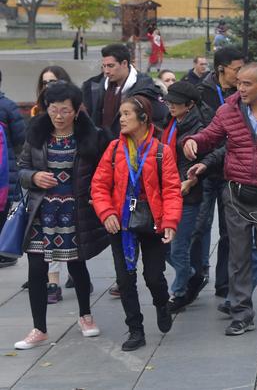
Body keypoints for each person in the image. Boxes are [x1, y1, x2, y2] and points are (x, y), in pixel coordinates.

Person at [183, 62, 257, 334]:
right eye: (238, 82)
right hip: (235, 192)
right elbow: (210, 136)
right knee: (238, 256)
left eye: (247, 84)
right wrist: (192, 141)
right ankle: (241, 314)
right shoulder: (228, 110)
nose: (240, 88)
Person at [14, 82, 110, 349]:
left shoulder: (90, 136)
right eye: (53, 110)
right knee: (36, 269)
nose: (58, 116)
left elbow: (103, 172)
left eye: (65, 110)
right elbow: (21, 169)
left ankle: (85, 315)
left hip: (74, 210)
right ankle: (39, 328)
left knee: (77, 265)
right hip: (41, 212)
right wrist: (33, 176)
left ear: (77, 110)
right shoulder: (36, 133)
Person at [91, 95, 182, 352]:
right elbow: (98, 186)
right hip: (120, 224)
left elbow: (172, 191)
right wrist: (106, 212)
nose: (121, 119)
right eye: (120, 114)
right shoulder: (113, 150)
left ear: (143, 118)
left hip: (153, 222)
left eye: (126, 114)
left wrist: (171, 222)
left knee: (154, 276)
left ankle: (162, 304)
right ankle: (135, 329)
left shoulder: (161, 151)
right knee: (125, 278)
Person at [191, 48, 244, 301]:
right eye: (237, 69)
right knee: (199, 227)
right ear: (221, 69)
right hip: (203, 171)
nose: (240, 74)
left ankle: (224, 283)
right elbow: (202, 132)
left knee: (229, 231)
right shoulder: (201, 93)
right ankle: (196, 275)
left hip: (231, 171)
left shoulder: (244, 94)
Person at [161, 82, 211, 313]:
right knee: (162, 246)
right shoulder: (172, 123)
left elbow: (205, 161)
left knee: (178, 247)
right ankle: (191, 274)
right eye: (169, 101)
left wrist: (192, 180)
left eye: (176, 102)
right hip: (168, 192)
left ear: (189, 105)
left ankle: (178, 292)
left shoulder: (198, 128)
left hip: (188, 195)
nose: (170, 105)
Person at [82, 43, 169, 136]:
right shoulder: (94, 87)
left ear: (124, 63)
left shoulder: (147, 90)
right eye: (104, 66)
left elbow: (161, 121)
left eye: (111, 66)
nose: (106, 71)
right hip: (101, 147)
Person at [0, 69, 27, 269]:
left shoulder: (6, 107)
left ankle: (5, 251)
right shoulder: (8, 106)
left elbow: (21, 141)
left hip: (5, 173)